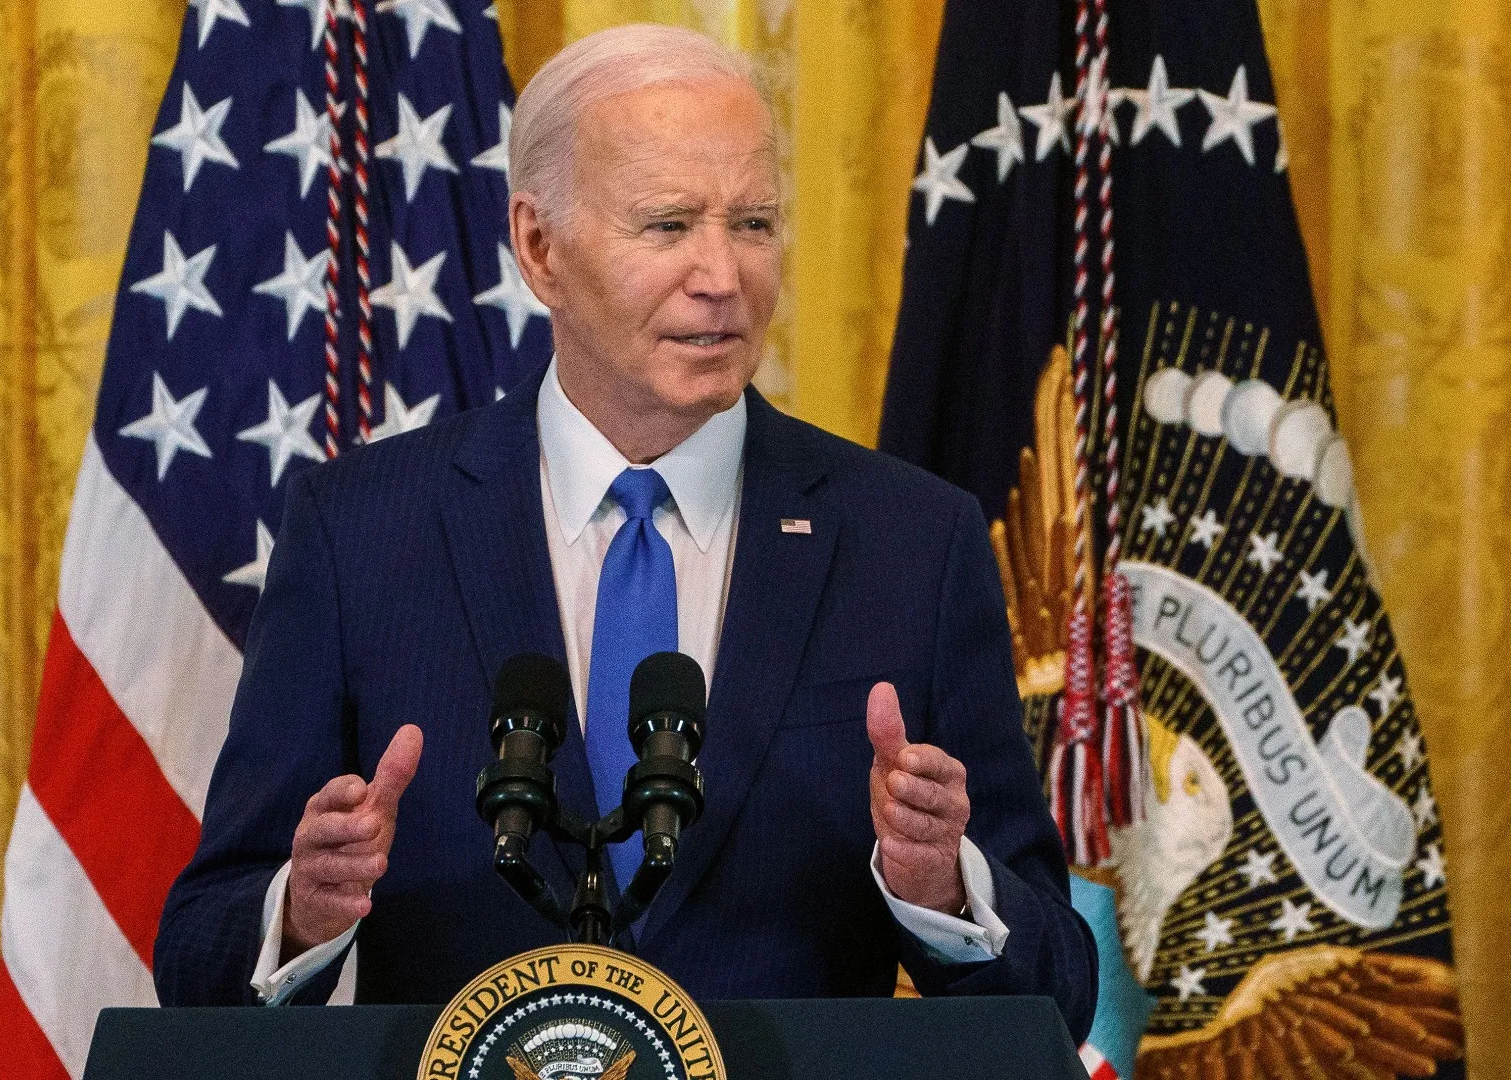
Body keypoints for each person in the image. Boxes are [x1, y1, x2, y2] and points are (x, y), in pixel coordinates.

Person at [154, 23, 1097, 1041]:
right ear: (540, 247)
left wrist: (944, 890)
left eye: (754, 223)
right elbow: (201, 955)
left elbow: (1056, 985)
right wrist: (300, 913)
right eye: (668, 224)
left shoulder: (914, 544)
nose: (723, 275)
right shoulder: (361, 533)